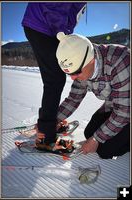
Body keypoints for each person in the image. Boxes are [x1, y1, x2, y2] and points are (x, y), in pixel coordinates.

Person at [21, 2, 87, 152]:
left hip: (46, 28)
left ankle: (47, 124)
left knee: (54, 79)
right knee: (55, 79)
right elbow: (55, 5)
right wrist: (60, 31)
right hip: (45, 27)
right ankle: (46, 138)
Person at [56, 32, 130, 159]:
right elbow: (74, 98)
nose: (73, 77)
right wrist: (54, 120)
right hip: (115, 105)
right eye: (70, 73)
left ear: (91, 60)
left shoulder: (121, 61)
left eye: (77, 72)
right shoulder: (82, 63)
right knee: (89, 132)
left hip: (127, 109)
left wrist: (97, 139)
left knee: (105, 150)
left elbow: (124, 113)